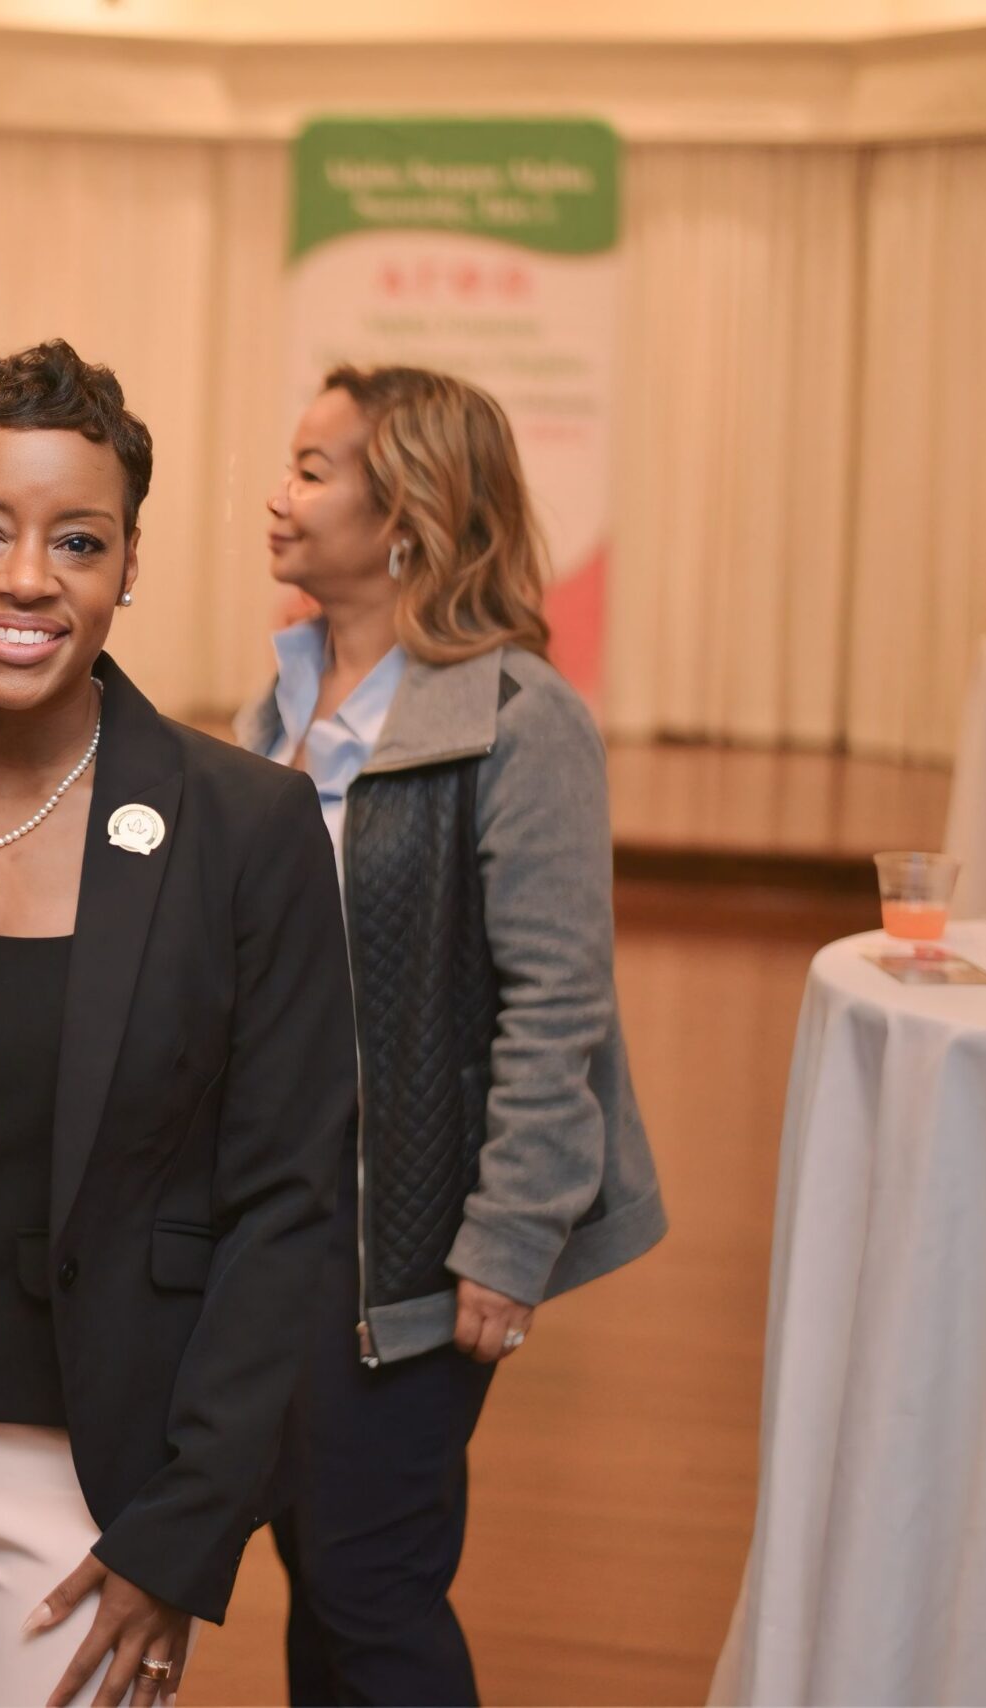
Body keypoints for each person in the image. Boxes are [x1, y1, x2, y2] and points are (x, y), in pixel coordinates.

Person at [0, 340, 356, 1707]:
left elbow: (290, 1206)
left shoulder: (245, 827)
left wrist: (187, 1524)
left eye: (78, 541)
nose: (27, 578)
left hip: (94, 1484)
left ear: (128, 564)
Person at [244, 365, 668, 1705]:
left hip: (419, 1234)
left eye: (314, 470)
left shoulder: (521, 721)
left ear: (407, 513)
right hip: (290, 1206)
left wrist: (508, 1237)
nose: (278, 494)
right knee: (320, 1553)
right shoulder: (280, 703)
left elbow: (558, 1002)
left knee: (368, 1578)